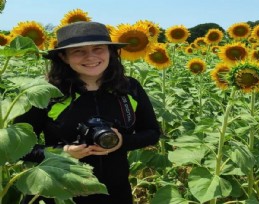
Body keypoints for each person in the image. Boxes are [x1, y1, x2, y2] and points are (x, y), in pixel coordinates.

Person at [15, 21, 161, 204]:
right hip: (61, 192)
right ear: (63, 57)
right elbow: (18, 148)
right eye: (78, 51)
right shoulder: (46, 93)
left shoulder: (129, 87)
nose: (90, 57)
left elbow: (152, 133)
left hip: (114, 192)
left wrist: (122, 142)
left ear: (110, 51)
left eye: (98, 48)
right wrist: (62, 152)